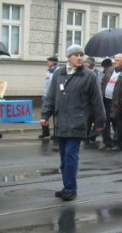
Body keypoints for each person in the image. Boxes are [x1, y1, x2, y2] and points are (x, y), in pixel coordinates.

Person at [40, 45, 105, 201]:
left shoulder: (89, 76)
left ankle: (71, 188)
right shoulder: (59, 74)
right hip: (61, 121)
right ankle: (66, 185)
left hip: (78, 121)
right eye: (75, 55)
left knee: (70, 156)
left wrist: (100, 121)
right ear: (69, 57)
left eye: (81, 55)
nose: (79, 58)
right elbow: (51, 97)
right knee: (64, 158)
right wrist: (45, 115)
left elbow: (97, 100)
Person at [100, 54, 122, 151]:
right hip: (106, 100)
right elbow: (103, 82)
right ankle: (107, 142)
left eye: (118, 60)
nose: (115, 62)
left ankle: (119, 143)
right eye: (115, 60)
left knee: (119, 124)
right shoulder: (110, 70)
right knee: (105, 122)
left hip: (118, 102)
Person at [83, 56, 102, 147]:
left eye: (87, 62)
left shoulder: (96, 73)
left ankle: (93, 135)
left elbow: (99, 87)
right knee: (88, 120)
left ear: (92, 64)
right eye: (85, 62)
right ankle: (87, 137)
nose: (85, 64)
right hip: (86, 101)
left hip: (94, 100)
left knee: (97, 119)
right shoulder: (84, 72)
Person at [39, 56, 59, 139]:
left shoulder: (57, 71)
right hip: (47, 96)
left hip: (55, 96)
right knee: (44, 115)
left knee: (56, 116)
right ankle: (45, 132)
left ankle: (56, 133)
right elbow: (47, 84)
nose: (48, 63)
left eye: (49, 61)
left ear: (54, 62)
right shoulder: (48, 71)